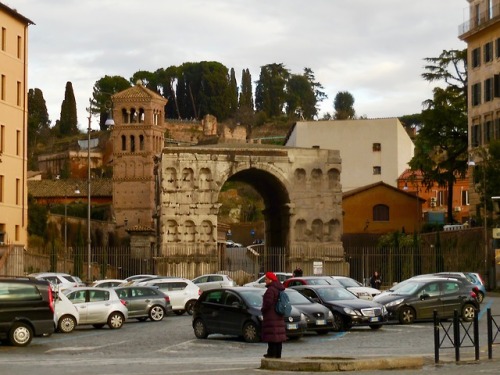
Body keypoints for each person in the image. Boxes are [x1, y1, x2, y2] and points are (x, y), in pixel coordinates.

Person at [261, 271, 286, 359]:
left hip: (271, 316)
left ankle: (271, 353)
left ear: (270, 280)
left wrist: (263, 310)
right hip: (278, 315)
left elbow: (268, 303)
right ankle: (278, 354)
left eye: (266, 279)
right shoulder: (279, 288)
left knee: (271, 336)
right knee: (278, 336)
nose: (265, 281)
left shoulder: (270, 290)